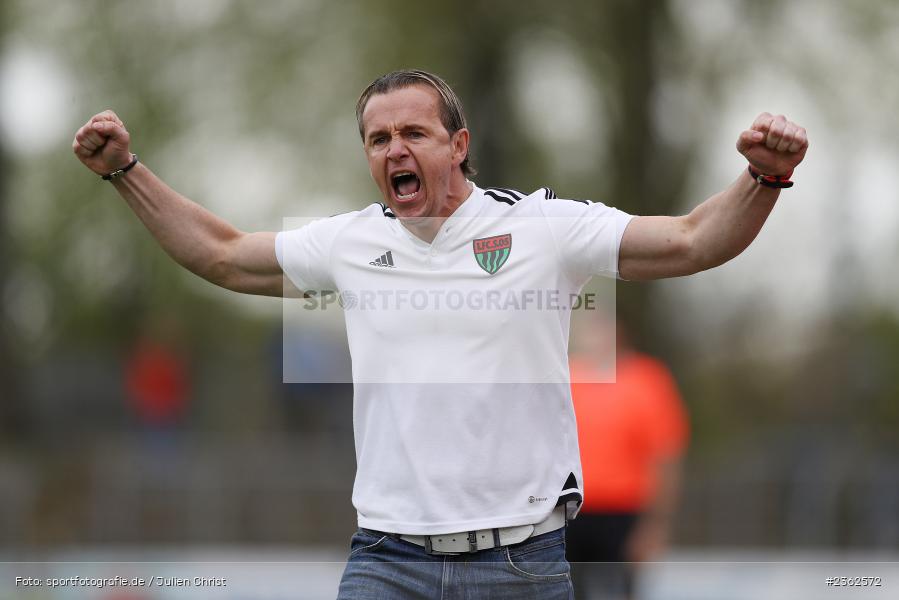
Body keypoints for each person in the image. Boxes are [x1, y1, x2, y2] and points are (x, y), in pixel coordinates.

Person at [73, 69, 808, 599]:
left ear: (457, 145)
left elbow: (689, 242)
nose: (394, 150)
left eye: (413, 133)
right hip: (386, 560)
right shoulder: (348, 242)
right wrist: (125, 172)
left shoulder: (543, 227)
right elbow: (224, 256)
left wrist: (762, 179)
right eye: (377, 138)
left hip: (521, 562)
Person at [567, 316, 689, 600]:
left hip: (625, 511)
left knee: (622, 590)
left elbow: (666, 455)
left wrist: (656, 524)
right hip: (570, 511)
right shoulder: (565, 375)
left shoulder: (647, 380)